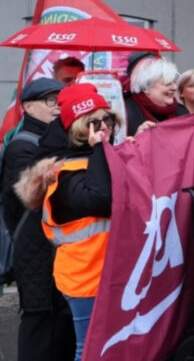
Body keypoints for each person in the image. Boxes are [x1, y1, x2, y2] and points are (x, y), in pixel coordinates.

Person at [15, 84, 118, 361]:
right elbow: (100, 199)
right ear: (79, 129)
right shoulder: (65, 172)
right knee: (87, 349)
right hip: (82, 276)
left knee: (102, 346)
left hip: (103, 272)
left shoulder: (96, 158)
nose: (104, 128)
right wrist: (99, 152)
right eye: (94, 122)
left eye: (107, 120)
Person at [1, 78, 75, 360]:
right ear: (28, 106)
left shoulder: (53, 139)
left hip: (50, 247)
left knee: (57, 327)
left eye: (61, 100)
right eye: (49, 101)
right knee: (39, 326)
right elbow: (26, 200)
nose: (57, 107)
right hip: (35, 249)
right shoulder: (23, 146)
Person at [124, 57, 194, 136]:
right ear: (146, 88)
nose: (174, 87)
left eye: (174, 82)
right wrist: (136, 140)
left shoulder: (182, 112)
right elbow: (114, 146)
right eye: (168, 83)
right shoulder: (125, 112)